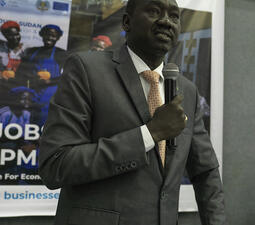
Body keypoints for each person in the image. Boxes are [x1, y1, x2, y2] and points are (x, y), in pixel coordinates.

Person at [38, 0, 226, 225]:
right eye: (155, 11)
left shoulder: (187, 90)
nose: (166, 21)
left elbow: (206, 173)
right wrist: (150, 134)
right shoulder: (86, 70)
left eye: (174, 16)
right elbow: (56, 165)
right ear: (127, 22)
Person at [15, 24, 67, 126]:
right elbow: (21, 71)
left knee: (43, 122)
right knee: (26, 121)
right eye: (47, 35)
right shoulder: (32, 51)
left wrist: (50, 81)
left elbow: (68, 75)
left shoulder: (61, 54)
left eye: (53, 36)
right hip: (31, 91)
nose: (50, 38)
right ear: (42, 35)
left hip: (49, 94)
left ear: (58, 38)